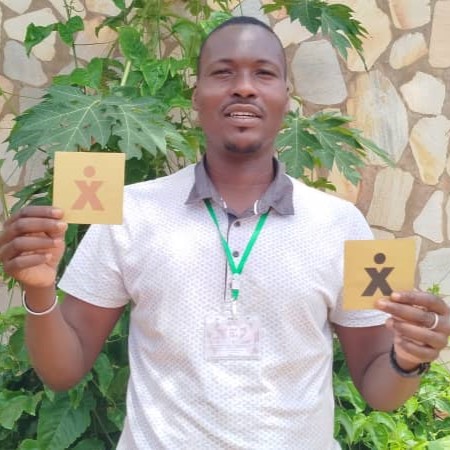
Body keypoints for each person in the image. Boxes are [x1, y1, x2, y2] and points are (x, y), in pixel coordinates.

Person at [1, 16, 449, 449]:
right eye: (223, 72)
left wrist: (408, 358)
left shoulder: (339, 224)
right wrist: (39, 289)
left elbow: (379, 389)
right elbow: (63, 371)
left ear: (286, 96)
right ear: (195, 95)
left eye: (264, 73)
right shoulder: (132, 212)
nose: (244, 87)